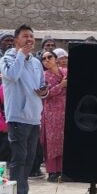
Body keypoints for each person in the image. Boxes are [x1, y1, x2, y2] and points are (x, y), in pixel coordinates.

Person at [1, 25, 45, 194]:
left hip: (34, 117)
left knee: (29, 158)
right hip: (17, 117)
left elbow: (42, 84)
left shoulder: (36, 63)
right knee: (19, 158)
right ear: (16, 40)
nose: (30, 40)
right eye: (25, 36)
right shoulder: (7, 59)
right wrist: (21, 55)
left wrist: (44, 92)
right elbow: (12, 76)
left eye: (32, 36)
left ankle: (23, 193)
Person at [40, 51, 68, 182]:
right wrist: (61, 85)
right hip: (51, 113)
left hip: (65, 112)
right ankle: (52, 172)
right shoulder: (43, 75)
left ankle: (63, 170)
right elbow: (45, 94)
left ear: (56, 59)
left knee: (63, 141)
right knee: (51, 142)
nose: (46, 60)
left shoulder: (65, 72)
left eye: (49, 57)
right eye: (43, 59)